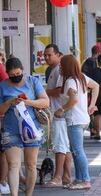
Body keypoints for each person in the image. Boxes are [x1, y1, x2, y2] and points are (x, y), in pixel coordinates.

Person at [0, 57, 49, 196]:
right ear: (7, 73)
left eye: (18, 74)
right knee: (13, 164)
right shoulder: (2, 86)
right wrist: (9, 103)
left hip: (32, 128)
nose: (15, 77)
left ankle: (28, 193)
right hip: (11, 130)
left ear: (22, 71)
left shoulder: (32, 81)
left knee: (31, 164)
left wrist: (28, 102)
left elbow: (45, 102)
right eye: (12, 75)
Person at [54, 55, 99, 190]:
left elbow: (73, 99)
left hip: (75, 120)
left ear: (66, 67)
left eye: (62, 66)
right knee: (75, 150)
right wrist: (92, 105)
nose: (60, 68)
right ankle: (79, 179)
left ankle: (85, 180)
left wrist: (61, 109)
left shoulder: (70, 82)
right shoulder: (81, 77)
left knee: (77, 151)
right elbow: (96, 86)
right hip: (83, 118)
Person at [42, 44, 72, 188]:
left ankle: (58, 176)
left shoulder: (60, 70)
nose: (46, 58)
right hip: (58, 113)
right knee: (65, 146)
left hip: (59, 113)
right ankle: (66, 175)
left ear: (58, 54)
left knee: (60, 146)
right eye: (45, 55)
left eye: (49, 55)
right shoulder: (54, 70)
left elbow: (60, 90)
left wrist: (44, 92)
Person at [81, 45, 101, 139]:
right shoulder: (98, 63)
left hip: (86, 89)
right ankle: (96, 130)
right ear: (98, 53)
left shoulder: (85, 62)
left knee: (88, 109)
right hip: (96, 89)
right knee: (95, 110)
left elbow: (82, 73)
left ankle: (92, 130)